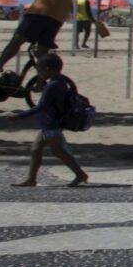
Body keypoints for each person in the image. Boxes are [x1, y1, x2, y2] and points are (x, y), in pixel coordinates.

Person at [10, 50, 89, 188]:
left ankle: (80, 174)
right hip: (48, 123)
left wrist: (19, 116)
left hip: (52, 123)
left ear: (47, 69)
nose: (39, 73)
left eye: (39, 70)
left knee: (58, 151)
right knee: (35, 149)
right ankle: (31, 179)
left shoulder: (54, 84)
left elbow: (42, 106)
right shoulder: (59, 81)